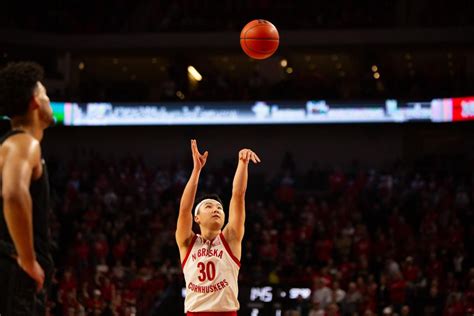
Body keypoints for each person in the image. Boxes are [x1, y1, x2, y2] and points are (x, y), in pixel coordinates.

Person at [176, 139, 260, 315]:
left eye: (219, 208)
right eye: (209, 206)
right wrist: (196, 170)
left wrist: (242, 163)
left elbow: (238, 195)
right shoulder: (187, 242)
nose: (216, 209)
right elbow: (184, 209)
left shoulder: (230, 238)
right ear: (196, 218)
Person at [0, 61, 55, 315]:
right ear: (35, 100)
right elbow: (12, 193)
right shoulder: (23, 142)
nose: (48, 101)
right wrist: (27, 259)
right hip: (14, 273)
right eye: (45, 95)